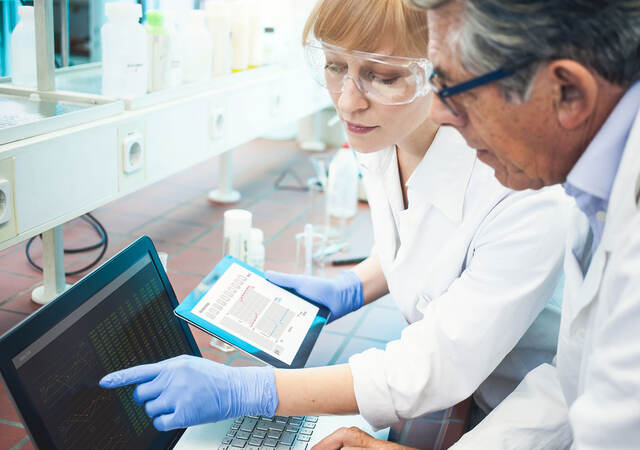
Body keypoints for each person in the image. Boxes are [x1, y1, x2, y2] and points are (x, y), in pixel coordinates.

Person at [98, 0, 575, 435]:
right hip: (463, 389)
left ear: (447, 69)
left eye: (383, 76)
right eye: (334, 66)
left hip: (527, 405)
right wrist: (354, 285)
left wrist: (251, 391)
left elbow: (434, 365)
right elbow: (427, 244)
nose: (348, 101)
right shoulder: (385, 131)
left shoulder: (523, 188)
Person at [319, 0, 640, 448]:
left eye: (455, 87)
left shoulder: (548, 196)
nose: (439, 111)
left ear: (567, 92)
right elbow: (573, 385)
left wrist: (254, 393)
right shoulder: (599, 188)